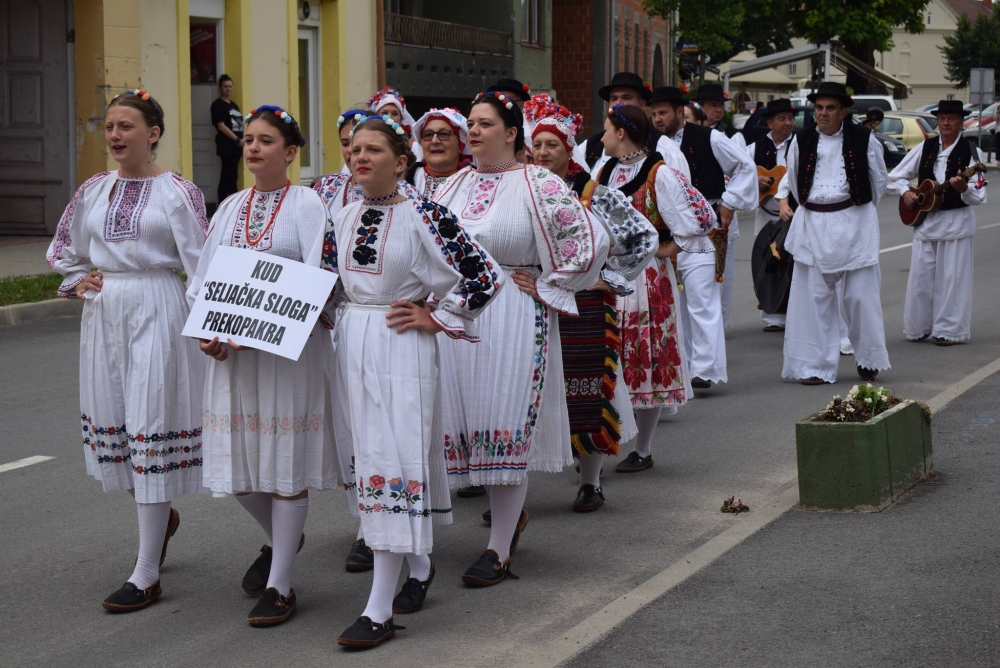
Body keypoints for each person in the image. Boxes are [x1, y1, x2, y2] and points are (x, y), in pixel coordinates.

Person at [325, 115, 503, 648]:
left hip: (399, 346)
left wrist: (439, 316)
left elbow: (483, 273)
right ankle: (419, 565)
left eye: (373, 150)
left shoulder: (424, 212)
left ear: (401, 162)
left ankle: (379, 608)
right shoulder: (343, 215)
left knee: (391, 459)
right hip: (353, 343)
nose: (360, 158)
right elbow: (327, 285)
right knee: (372, 455)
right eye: (354, 149)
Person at [432, 91, 608, 583]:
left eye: (485, 123)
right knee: (462, 420)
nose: (473, 131)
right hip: (457, 314)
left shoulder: (539, 183)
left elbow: (591, 238)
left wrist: (551, 283)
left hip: (512, 312)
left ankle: (498, 546)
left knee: (503, 418)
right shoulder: (450, 187)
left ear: (512, 133)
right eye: (470, 122)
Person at [46, 89, 208, 613]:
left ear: (153, 133)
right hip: (105, 314)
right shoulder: (94, 189)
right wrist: (80, 281)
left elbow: (202, 265)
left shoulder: (177, 193)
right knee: (121, 421)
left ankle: (145, 574)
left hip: (158, 309)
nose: (114, 135)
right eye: (109, 126)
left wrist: (215, 325)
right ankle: (160, 519)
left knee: (150, 425)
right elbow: (64, 250)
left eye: (126, 126)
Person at [192, 105, 338, 626]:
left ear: (291, 152)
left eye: (266, 140)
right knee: (238, 470)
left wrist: (264, 330)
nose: (253, 148)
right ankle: (284, 537)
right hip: (233, 356)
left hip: (286, 356)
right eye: (249, 139)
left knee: (283, 465)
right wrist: (210, 330)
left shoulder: (307, 205)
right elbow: (206, 279)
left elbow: (321, 277)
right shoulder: (230, 206)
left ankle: (280, 586)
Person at [524, 94, 657, 509]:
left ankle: (590, 482)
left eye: (553, 145)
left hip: (583, 306)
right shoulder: (521, 188)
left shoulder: (595, 194)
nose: (544, 153)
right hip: (533, 304)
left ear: (569, 149)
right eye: (538, 145)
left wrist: (609, 278)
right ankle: (512, 490)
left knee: (586, 390)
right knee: (527, 395)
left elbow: (643, 237)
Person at [594, 104, 716, 474]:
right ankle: (601, 446)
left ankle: (643, 449)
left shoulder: (658, 173)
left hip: (646, 280)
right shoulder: (606, 171)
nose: (601, 136)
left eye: (606, 128)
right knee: (609, 359)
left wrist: (664, 250)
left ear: (620, 132)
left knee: (645, 360)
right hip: (609, 276)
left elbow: (696, 220)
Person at [775, 82, 890, 385]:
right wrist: (814, 208)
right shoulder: (801, 140)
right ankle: (814, 365)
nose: (823, 114)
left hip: (854, 221)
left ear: (843, 111)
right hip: (813, 222)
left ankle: (867, 358)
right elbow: (796, 178)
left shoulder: (865, 139)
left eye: (829, 108)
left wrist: (855, 209)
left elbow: (878, 182)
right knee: (813, 297)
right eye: (819, 108)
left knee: (859, 297)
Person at [654, 86, 755, 390]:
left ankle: (706, 369)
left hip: (702, 228)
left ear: (678, 112)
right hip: (663, 232)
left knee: (701, 298)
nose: (659, 119)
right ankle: (682, 365)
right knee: (674, 301)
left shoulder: (709, 137)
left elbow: (744, 167)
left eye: (664, 112)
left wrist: (728, 201)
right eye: (654, 113)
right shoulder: (649, 143)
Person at [887, 99, 987, 346]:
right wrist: (905, 193)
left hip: (956, 223)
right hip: (926, 223)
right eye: (942, 118)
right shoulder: (926, 147)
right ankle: (918, 327)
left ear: (961, 122)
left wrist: (964, 188)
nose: (945, 123)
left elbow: (980, 195)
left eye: (951, 119)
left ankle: (948, 330)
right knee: (921, 280)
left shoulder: (973, 153)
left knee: (952, 280)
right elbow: (894, 177)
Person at [694, 83, 750, 331]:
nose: (717, 110)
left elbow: (739, 172)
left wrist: (730, 202)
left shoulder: (732, 135)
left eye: (720, 106)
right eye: (712, 105)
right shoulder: (691, 134)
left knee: (721, 270)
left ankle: (721, 321)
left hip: (722, 207)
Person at [573, 71, 689, 178]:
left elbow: (678, 195)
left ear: (642, 104)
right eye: (614, 98)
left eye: (626, 97)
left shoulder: (664, 147)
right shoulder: (591, 145)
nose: (618, 103)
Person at [747, 98, 796, 332]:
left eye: (790, 118)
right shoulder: (754, 148)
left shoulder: (800, 143)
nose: (788, 123)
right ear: (770, 122)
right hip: (766, 214)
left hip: (792, 214)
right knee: (767, 262)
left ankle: (794, 312)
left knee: (791, 263)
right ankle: (772, 313)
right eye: (781, 119)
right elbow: (738, 174)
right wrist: (755, 180)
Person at [406, 108, 473, 200]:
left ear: (461, 144)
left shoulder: (475, 182)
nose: (434, 141)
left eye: (444, 134)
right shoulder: (404, 178)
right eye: (428, 134)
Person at [212, 74, 245, 204]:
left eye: (230, 86)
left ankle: (229, 204)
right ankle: (228, 205)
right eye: (225, 86)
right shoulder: (217, 105)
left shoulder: (234, 106)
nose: (228, 89)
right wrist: (237, 140)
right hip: (227, 145)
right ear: (220, 88)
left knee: (231, 176)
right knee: (228, 176)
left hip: (237, 146)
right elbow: (221, 126)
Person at [368, 87, 418, 158]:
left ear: (401, 119)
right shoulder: (366, 142)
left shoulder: (413, 147)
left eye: (395, 114)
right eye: (384, 113)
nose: (389, 117)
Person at [336, 107, 372, 175]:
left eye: (357, 143)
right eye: (345, 144)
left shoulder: (393, 185)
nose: (350, 150)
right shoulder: (327, 184)